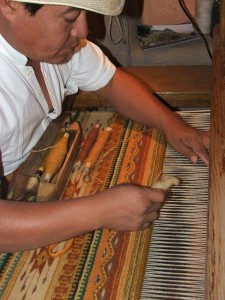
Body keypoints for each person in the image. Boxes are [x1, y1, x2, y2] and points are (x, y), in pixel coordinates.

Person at [0, 0, 209, 253]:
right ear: (10, 4)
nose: (83, 31)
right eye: (69, 18)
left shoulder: (56, 48)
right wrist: (100, 212)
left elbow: (111, 82)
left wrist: (171, 122)